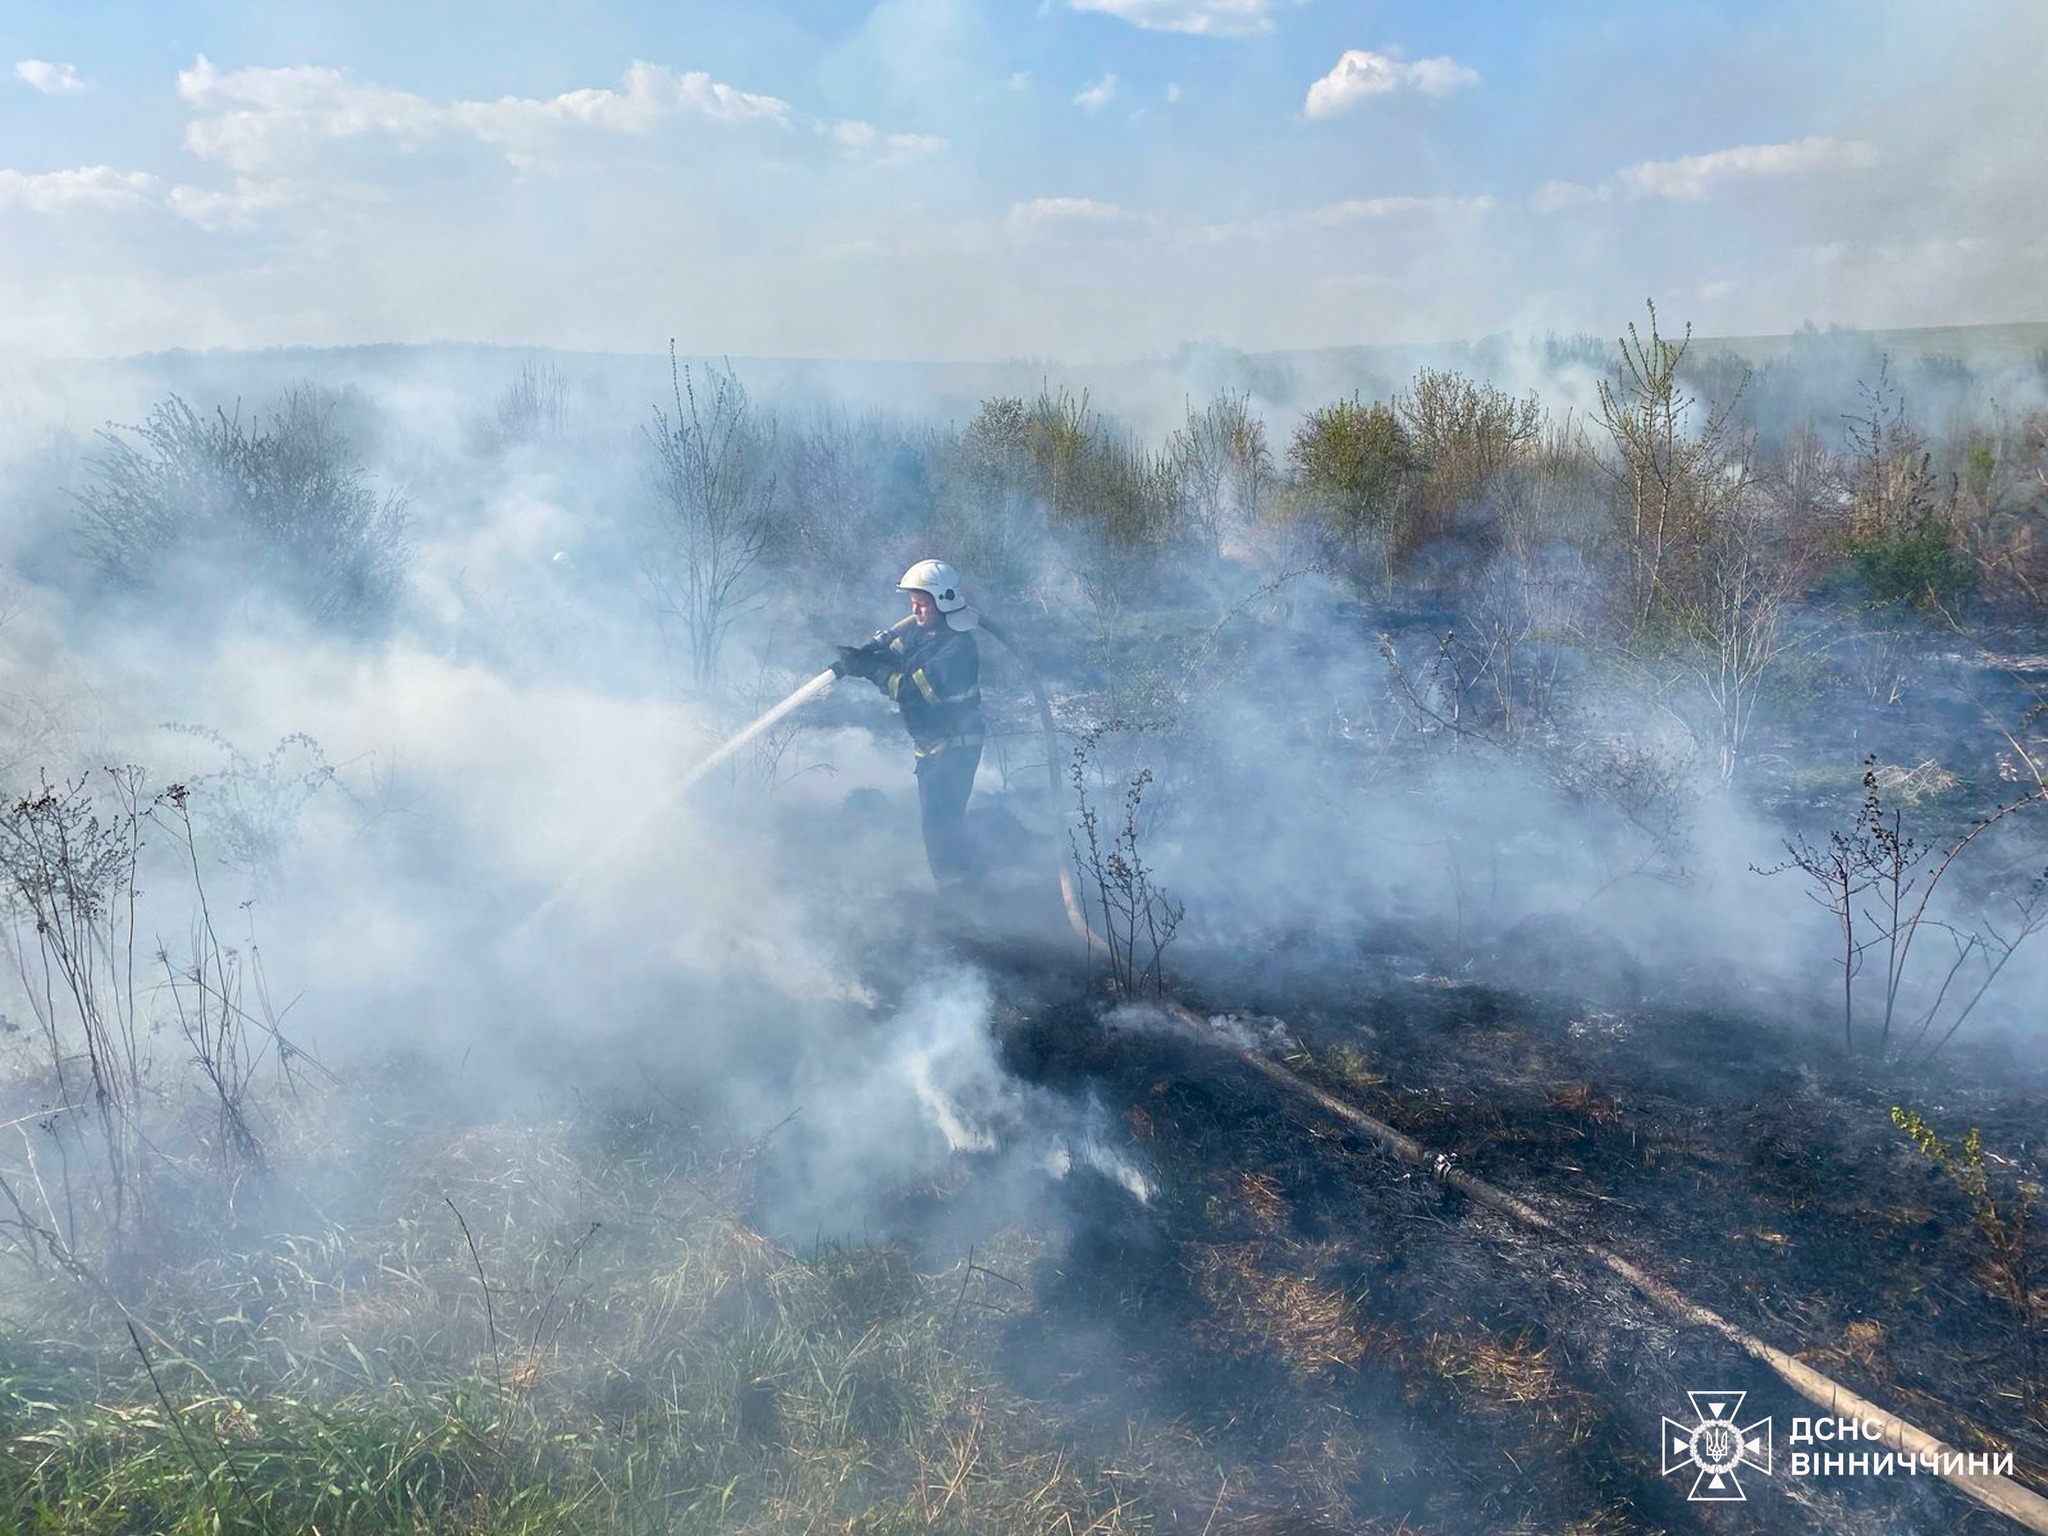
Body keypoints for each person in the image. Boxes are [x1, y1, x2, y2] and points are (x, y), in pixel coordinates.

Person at [834, 560, 985, 885]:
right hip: (933, 746)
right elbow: (896, 656)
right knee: (940, 824)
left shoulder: (957, 649)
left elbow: (907, 689)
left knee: (939, 826)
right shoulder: (921, 632)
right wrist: (862, 658)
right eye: (912, 603)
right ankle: (968, 878)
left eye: (922, 604)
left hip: (955, 748)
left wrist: (867, 670)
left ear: (943, 603)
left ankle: (959, 897)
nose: (915, 611)